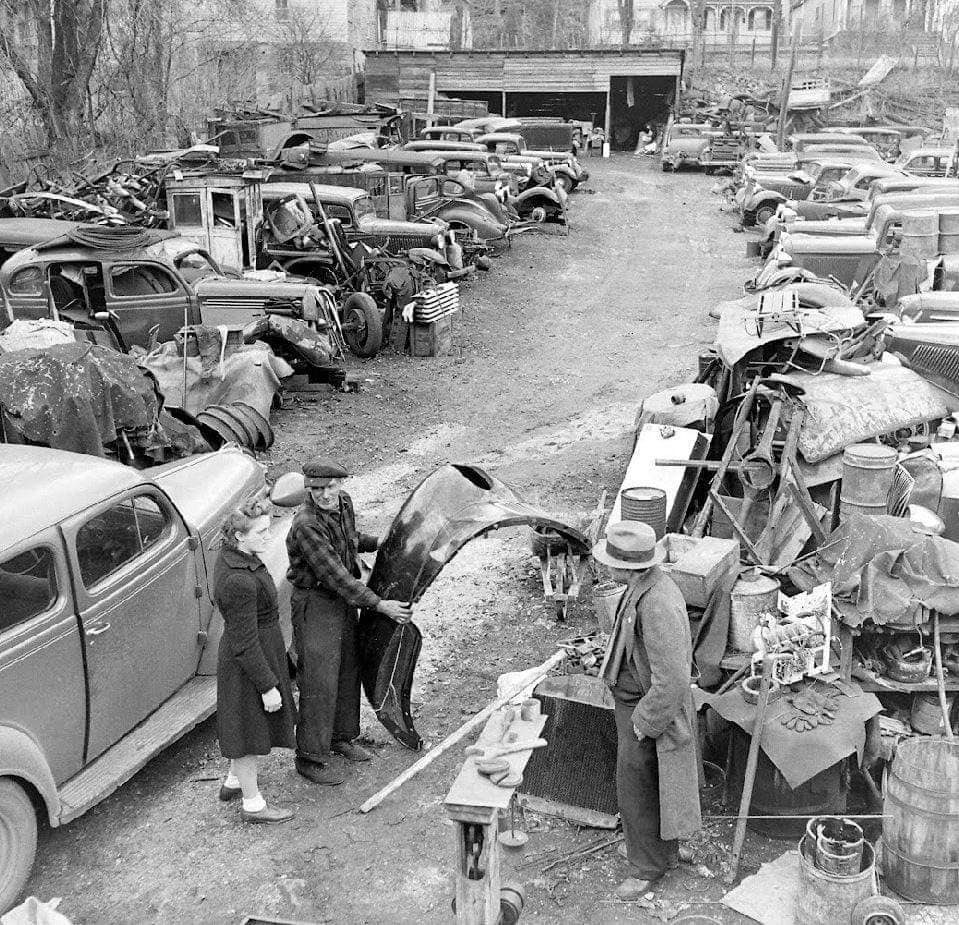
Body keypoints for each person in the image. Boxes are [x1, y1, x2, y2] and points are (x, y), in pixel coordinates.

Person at [286, 459, 412, 785]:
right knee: (318, 680)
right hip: (315, 603)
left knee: (346, 669)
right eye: (316, 490)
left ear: (341, 484)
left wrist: (377, 542)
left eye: (330, 487)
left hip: (341, 602)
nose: (324, 495)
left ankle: (341, 737)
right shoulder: (306, 526)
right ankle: (310, 756)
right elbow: (336, 576)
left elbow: (349, 538)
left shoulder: (344, 503)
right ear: (308, 489)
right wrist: (381, 605)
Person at [594, 521, 701, 899]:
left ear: (626, 566)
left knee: (637, 787)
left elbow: (672, 676)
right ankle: (663, 851)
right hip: (633, 702)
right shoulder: (642, 584)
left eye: (609, 561)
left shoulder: (657, 600)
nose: (605, 566)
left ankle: (647, 867)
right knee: (653, 785)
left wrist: (645, 722)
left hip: (646, 710)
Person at [214, 498, 296, 824]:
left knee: (243, 723)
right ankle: (253, 803)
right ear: (239, 536)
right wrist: (268, 686)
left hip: (255, 651)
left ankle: (234, 781)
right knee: (247, 734)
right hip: (248, 661)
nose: (267, 536)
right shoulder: (239, 581)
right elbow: (245, 642)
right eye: (260, 532)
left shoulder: (234, 557)